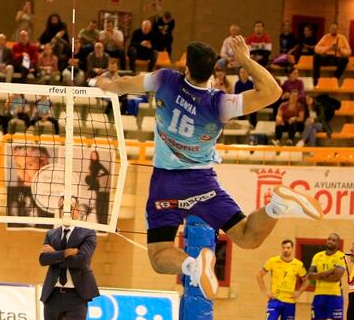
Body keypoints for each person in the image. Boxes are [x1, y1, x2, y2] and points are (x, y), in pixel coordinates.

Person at [96, 37, 324, 300]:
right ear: (213, 71)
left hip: (166, 183)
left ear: (187, 67)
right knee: (248, 237)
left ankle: (193, 266)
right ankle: (276, 205)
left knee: (159, 254)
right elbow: (272, 93)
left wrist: (105, 84)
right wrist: (245, 59)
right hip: (202, 182)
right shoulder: (220, 103)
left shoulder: (165, 79)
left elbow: (124, 84)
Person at [253, 240, 307, 320]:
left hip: (290, 302)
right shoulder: (273, 261)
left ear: (292, 249)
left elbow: (307, 280)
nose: (286, 250)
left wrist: (299, 292)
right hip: (275, 301)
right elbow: (259, 275)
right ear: (281, 248)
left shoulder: (298, 264)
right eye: (283, 247)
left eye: (288, 247)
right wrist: (266, 291)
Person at [297, 234, 347, 320]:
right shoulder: (317, 256)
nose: (330, 241)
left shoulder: (341, 257)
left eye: (334, 240)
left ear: (338, 243)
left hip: (335, 296)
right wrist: (328, 272)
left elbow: (336, 278)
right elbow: (310, 276)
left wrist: (320, 275)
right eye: (329, 239)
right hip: (319, 296)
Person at [85, 150, 110, 225]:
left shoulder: (98, 164)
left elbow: (107, 172)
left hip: (95, 185)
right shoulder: (91, 164)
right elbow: (90, 174)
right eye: (92, 155)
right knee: (90, 201)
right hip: (90, 184)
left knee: (94, 202)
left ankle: (94, 220)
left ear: (97, 156)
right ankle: (89, 218)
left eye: (94, 155)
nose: (93, 156)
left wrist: (99, 176)